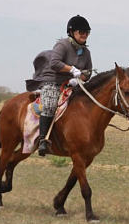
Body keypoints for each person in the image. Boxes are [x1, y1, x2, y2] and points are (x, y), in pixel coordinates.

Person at [25, 15, 93, 156]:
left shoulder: (86, 52)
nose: (84, 35)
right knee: (49, 105)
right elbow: (54, 63)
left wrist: (79, 78)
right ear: (71, 32)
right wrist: (71, 70)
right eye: (81, 32)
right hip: (53, 81)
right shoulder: (62, 45)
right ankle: (43, 140)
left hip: (73, 84)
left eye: (87, 32)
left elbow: (88, 73)